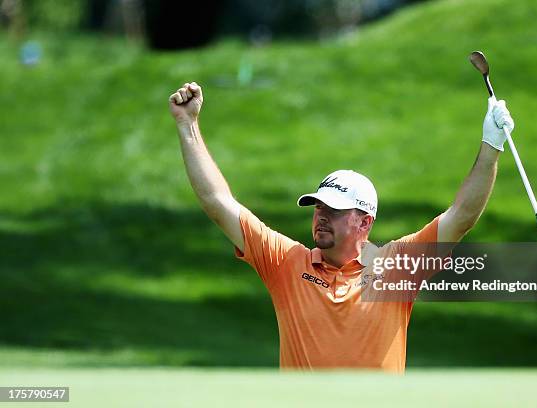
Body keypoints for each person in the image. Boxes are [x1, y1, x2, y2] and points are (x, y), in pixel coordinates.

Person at [168, 82, 514, 373]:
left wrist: (491, 145)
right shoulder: (286, 262)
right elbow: (218, 202)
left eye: (333, 209)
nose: (321, 215)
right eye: (318, 206)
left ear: (364, 221)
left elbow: (462, 215)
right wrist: (188, 126)